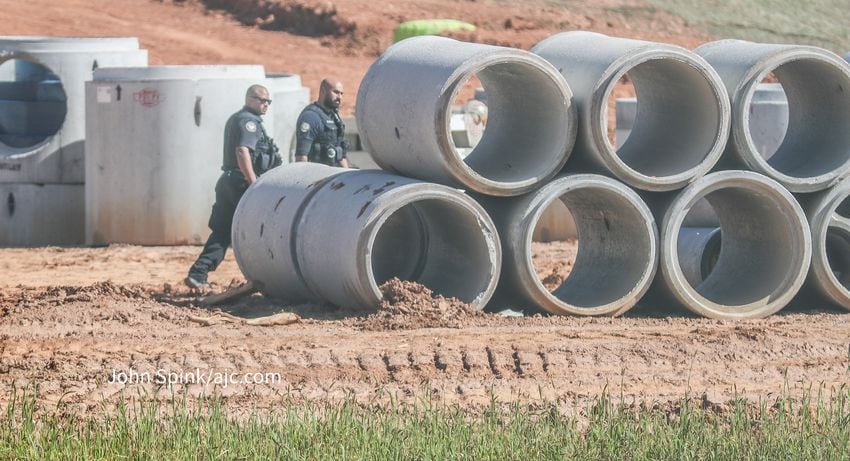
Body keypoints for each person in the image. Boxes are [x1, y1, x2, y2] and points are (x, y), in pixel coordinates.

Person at [185, 84, 281, 290]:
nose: (266, 105)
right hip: (240, 183)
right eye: (262, 100)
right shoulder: (248, 122)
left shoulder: (240, 118)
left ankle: (198, 272)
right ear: (249, 99)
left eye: (268, 102)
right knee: (260, 228)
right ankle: (270, 277)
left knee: (222, 231)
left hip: (229, 181)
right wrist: (253, 182)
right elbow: (242, 152)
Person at [294, 78, 350, 168]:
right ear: (323, 91)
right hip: (317, 176)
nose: (339, 97)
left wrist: (347, 175)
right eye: (336, 92)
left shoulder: (335, 118)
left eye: (341, 93)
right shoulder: (310, 117)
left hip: (333, 175)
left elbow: (340, 155)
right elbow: (301, 157)